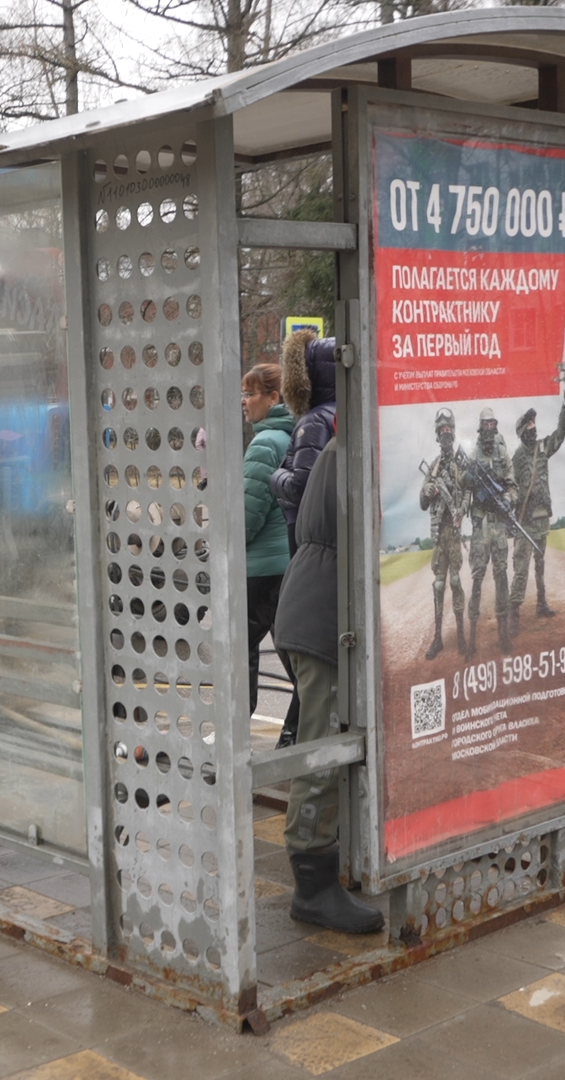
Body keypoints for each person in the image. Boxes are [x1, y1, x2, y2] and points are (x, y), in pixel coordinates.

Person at [272, 436, 385, 934]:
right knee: (321, 751)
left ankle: (333, 861)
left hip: (317, 603)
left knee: (333, 743)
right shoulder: (356, 448)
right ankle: (312, 887)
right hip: (325, 616)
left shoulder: (344, 443)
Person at [239, 363, 298, 746]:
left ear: (274, 398)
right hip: (288, 567)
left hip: (258, 570)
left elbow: (247, 515)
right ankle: (292, 739)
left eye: (251, 393)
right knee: (298, 665)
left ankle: (233, 739)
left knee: (237, 657)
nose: (244, 402)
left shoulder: (265, 442)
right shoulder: (297, 436)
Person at [269, 328, 338, 547]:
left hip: (308, 530)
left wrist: (276, 478)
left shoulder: (314, 421)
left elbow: (301, 486)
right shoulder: (351, 413)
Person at [509, 394, 565, 639]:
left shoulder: (543, 448)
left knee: (540, 565)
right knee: (521, 567)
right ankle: (514, 611)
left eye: (534, 424)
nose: (533, 428)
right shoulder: (516, 457)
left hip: (543, 518)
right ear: (522, 430)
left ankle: (541, 604)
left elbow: (560, 434)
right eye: (529, 425)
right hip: (525, 521)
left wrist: (564, 410)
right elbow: (511, 487)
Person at [419, 409, 469, 660]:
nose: (446, 433)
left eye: (449, 429)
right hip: (439, 534)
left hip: (454, 532)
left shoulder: (462, 464)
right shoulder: (434, 468)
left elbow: (468, 492)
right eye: (442, 430)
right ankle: (438, 638)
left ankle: (461, 636)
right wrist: (428, 489)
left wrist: (461, 510)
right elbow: (422, 501)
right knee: (438, 585)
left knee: (456, 582)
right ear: (438, 436)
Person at [465, 407, 514, 655]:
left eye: (492, 424)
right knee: (476, 578)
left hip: (498, 524)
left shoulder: (503, 454)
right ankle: (472, 638)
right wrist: (469, 478)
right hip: (481, 523)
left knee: (502, 575)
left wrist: (508, 499)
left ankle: (504, 635)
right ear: (480, 427)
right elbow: (464, 484)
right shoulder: (473, 454)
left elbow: (511, 485)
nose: (489, 428)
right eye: (485, 424)